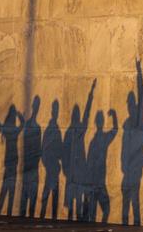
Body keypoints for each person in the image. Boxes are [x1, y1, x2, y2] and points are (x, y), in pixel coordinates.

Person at [63, 79, 96, 221]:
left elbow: (87, 114)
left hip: (80, 169)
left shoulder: (81, 129)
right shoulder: (69, 132)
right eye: (75, 114)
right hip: (71, 170)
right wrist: (66, 169)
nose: (76, 116)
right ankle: (72, 217)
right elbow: (65, 151)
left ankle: (79, 217)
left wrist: (91, 94)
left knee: (79, 200)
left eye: (77, 114)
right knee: (71, 200)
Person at [121, 58, 143, 225]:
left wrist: (139, 72)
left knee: (135, 203)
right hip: (127, 169)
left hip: (135, 169)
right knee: (125, 206)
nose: (130, 106)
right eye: (128, 103)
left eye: (131, 103)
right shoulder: (127, 123)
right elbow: (123, 147)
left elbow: (142, 94)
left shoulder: (138, 121)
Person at [85, 109, 118, 222]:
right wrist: (114, 116)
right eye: (100, 120)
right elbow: (89, 164)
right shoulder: (98, 140)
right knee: (99, 212)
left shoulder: (99, 140)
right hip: (96, 182)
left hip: (98, 181)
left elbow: (115, 130)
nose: (101, 122)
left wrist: (114, 116)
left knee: (99, 212)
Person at [0, 103, 24, 216]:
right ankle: (8, 211)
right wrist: (19, 115)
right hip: (14, 160)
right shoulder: (14, 130)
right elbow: (23, 124)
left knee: (5, 187)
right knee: (11, 188)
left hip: (8, 161)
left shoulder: (7, 130)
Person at [39, 99, 63, 219]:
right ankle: (42, 216)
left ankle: (53, 217)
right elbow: (43, 150)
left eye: (57, 109)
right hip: (50, 168)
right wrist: (48, 164)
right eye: (55, 109)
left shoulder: (57, 130)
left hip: (55, 167)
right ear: (52, 111)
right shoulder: (49, 130)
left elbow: (60, 152)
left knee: (54, 194)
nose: (56, 112)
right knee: (47, 192)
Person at [19, 96, 42, 217]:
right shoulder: (31, 126)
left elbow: (38, 148)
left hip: (33, 166)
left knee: (31, 201)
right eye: (36, 105)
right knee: (25, 199)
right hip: (29, 166)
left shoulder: (36, 127)